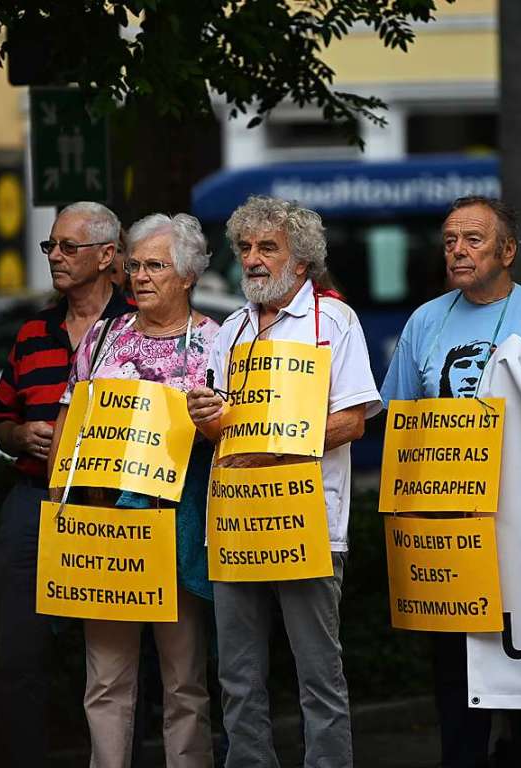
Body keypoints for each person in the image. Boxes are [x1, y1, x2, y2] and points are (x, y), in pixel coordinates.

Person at [380, 196, 521, 768]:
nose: (458, 249)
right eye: (451, 238)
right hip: (449, 527)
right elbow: (396, 421)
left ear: (508, 251)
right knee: (456, 678)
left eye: (474, 239)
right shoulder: (425, 320)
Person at [187, 195, 382, 768]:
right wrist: (207, 420)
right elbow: (220, 430)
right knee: (237, 677)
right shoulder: (232, 330)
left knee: (318, 675)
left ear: (301, 262)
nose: (251, 259)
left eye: (267, 248)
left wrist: (268, 445)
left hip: (308, 521)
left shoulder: (333, 321)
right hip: (237, 520)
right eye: (245, 247)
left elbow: (352, 421)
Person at [48, 212, 218, 768]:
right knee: (105, 680)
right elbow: (70, 420)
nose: (140, 276)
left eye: (157, 266)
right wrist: (58, 507)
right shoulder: (103, 337)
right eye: (136, 264)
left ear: (188, 275)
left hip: (177, 532)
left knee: (184, 683)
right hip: (106, 531)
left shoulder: (217, 342)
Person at [0, 201, 132, 766]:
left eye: (68, 247)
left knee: (118, 658)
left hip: (115, 505)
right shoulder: (32, 334)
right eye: (51, 246)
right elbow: (0, 424)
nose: (55, 257)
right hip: (33, 501)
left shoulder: (134, 328)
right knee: (18, 652)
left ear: (105, 256)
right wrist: (22, 436)